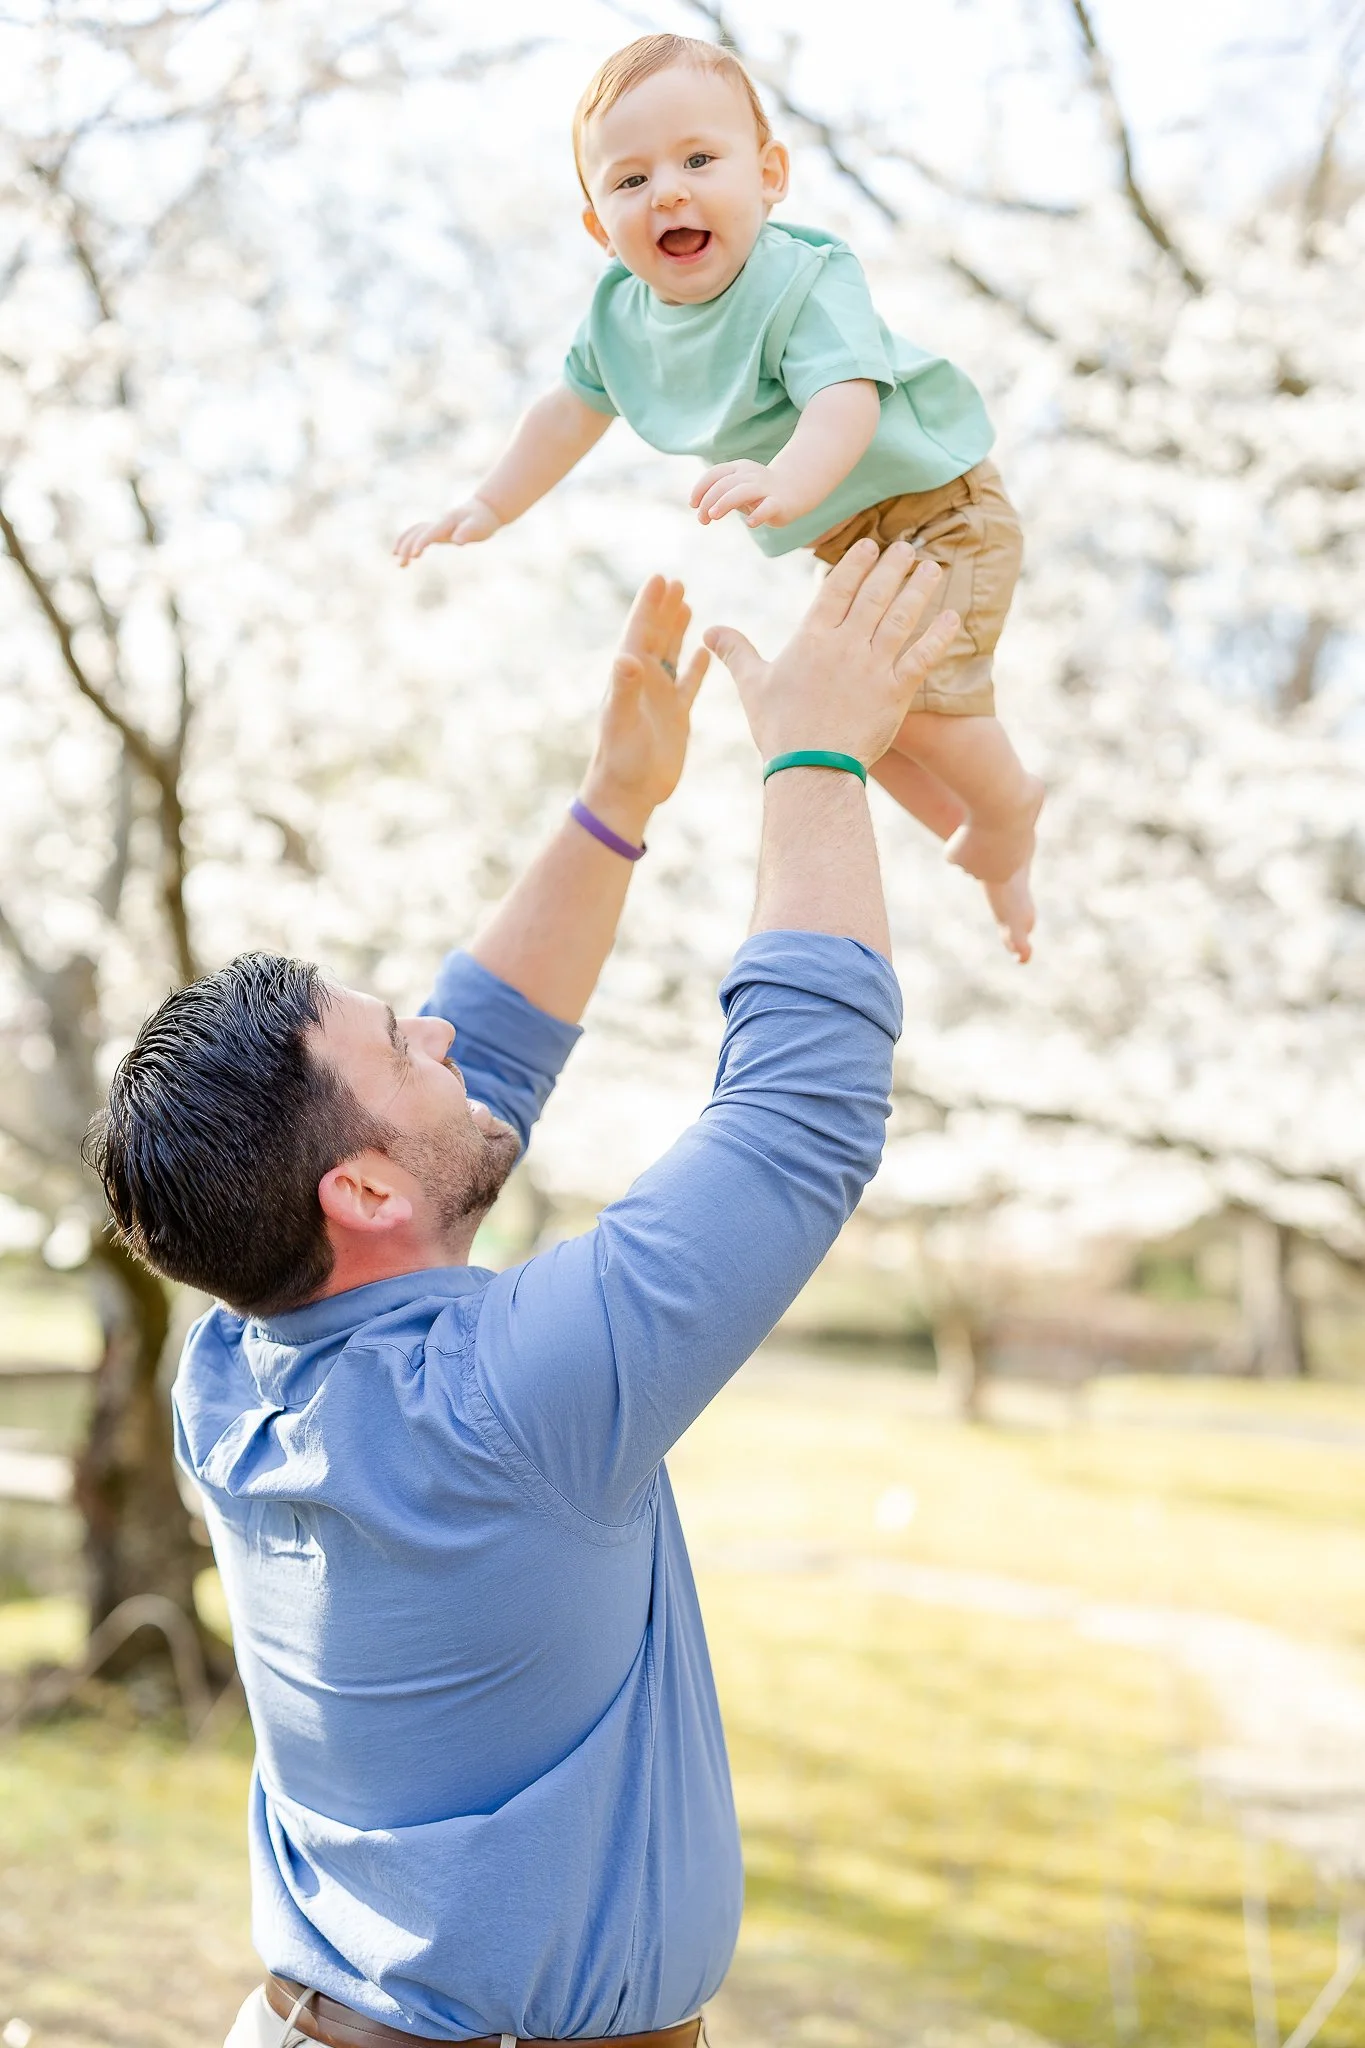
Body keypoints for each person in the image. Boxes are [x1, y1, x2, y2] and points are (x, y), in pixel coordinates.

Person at [85, 542, 956, 2048]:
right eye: (398, 1042)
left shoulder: (235, 1362)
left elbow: (470, 1059)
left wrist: (616, 804)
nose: (437, 1026)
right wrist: (816, 757)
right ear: (356, 1197)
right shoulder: (510, 1398)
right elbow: (802, 1114)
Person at [394, 34, 1042, 964]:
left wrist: (788, 480)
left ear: (769, 174)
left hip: (943, 509)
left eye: (700, 160)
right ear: (596, 227)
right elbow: (567, 413)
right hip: (853, 537)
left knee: (924, 701)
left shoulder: (801, 279)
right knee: (860, 714)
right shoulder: (619, 320)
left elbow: (842, 400)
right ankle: (984, 838)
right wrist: (488, 506)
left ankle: (1010, 806)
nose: (667, 191)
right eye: (629, 180)